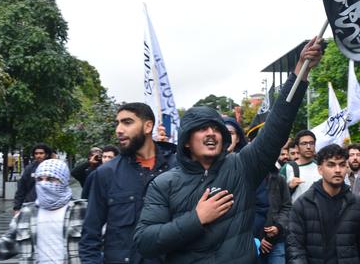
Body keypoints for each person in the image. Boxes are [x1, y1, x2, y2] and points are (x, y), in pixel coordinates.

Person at [133, 38, 321, 263]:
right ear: (186, 141)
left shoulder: (241, 167)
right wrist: (197, 218)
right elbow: (145, 241)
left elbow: (277, 126)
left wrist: (300, 71)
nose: (211, 133)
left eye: (216, 129)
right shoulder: (164, 184)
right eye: (202, 129)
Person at [80, 102, 177, 264]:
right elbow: (90, 234)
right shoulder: (105, 174)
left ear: (148, 127)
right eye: (117, 123)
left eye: (127, 122)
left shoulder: (178, 168)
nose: (119, 130)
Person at [286, 144, 360, 263]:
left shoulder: (357, 204)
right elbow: (295, 248)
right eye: (331, 165)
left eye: (342, 165)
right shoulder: (303, 204)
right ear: (320, 169)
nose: (338, 170)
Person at [0, 159, 86, 263]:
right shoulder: (26, 213)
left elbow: (101, 246)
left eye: (50, 179)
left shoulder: (82, 211)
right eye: (40, 179)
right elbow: (7, 245)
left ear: (63, 181)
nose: (44, 184)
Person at [254, 138, 293, 264]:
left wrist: (278, 226)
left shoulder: (279, 179)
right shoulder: (247, 178)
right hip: (252, 242)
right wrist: (258, 239)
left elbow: (287, 207)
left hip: (277, 241)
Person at [280, 130, 321, 203]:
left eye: (311, 143)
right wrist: (289, 187)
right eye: (304, 143)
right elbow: (276, 195)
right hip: (294, 213)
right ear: (297, 147)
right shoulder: (288, 167)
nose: (308, 147)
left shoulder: (321, 167)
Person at [13, 143, 52, 213]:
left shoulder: (53, 168)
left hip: (50, 206)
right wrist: (17, 207)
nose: (38, 156)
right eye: (36, 153)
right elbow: (22, 188)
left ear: (47, 154)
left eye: (41, 153)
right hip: (32, 205)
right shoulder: (29, 168)